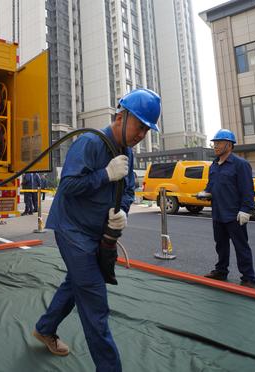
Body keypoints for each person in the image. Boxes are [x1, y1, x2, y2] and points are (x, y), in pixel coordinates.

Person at [32, 89, 160, 371]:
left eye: (147, 130)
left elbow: (127, 190)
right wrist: (104, 175)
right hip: (71, 228)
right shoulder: (90, 143)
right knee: (94, 303)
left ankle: (45, 328)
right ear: (121, 116)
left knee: (74, 284)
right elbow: (67, 187)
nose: (142, 134)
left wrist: (122, 211)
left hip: (95, 232)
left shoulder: (127, 153)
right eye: (140, 126)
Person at [197, 129, 255, 288]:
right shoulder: (214, 165)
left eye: (218, 143)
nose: (215, 146)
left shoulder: (241, 164)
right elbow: (211, 185)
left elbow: (247, 189)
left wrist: (246, 209)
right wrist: (206, 192)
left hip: (234, 215)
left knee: (241, 246)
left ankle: (248, 277)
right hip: (217, 213)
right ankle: (221, 271)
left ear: (229, 145)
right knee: (221, 245)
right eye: (214, 143)